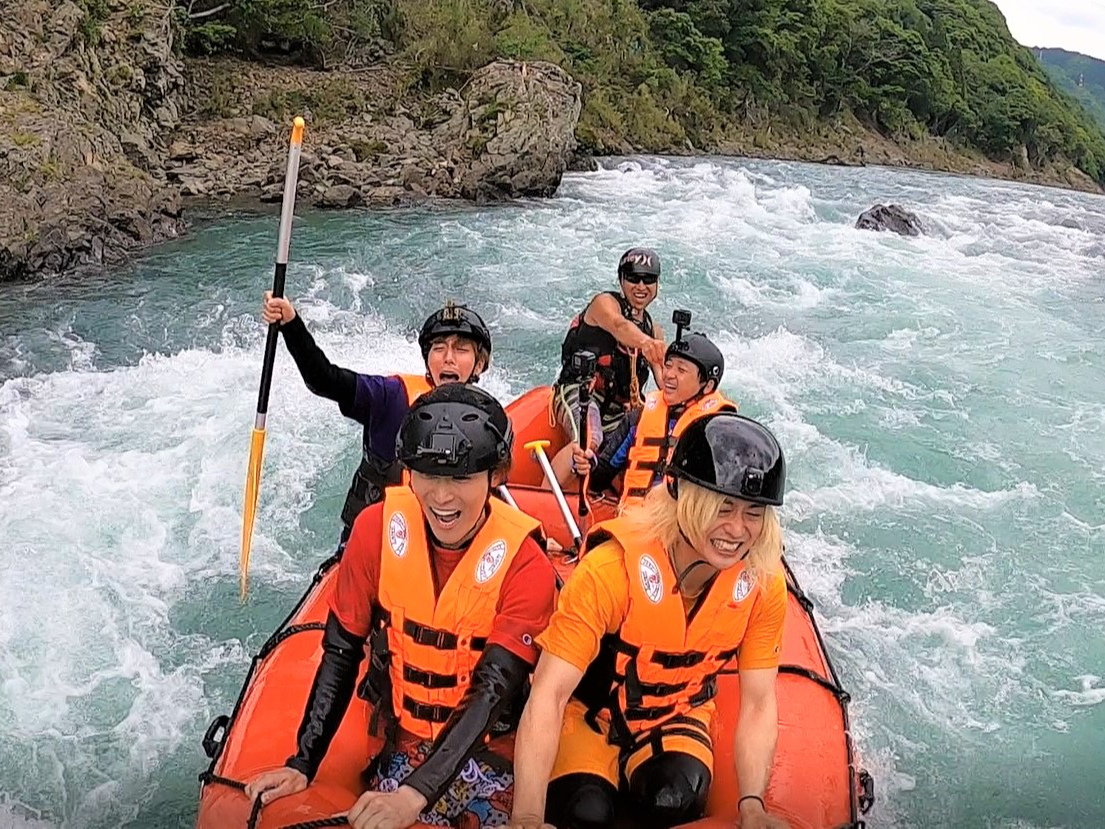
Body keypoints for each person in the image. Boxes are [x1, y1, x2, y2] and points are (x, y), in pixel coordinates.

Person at [245, 384, 558, 829]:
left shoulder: (526, 564)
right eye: (428, 475)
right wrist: (302, 763)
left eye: (461, 478)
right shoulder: (374, 530)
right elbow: (341, 651)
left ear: (496, 477)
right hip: (404, 743)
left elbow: (493, 690)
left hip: (490, 751)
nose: (442, 497)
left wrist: (416, 793)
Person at [509, 412, 792, 829]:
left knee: (674, 797)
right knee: (584, 813)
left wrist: (751, 804)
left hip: (676, 714)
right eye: (722, 507)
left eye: (754, 513)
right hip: (589, 715)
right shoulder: (610, 571)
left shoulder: (763, 584)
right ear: (681, 495)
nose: (737, 529)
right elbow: (549, 694)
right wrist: (527, 816)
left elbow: (758, 701)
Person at [261, 293, 493, 545]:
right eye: (439, 348)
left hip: (442, 544)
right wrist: (291, 324)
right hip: (376, 540)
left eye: (460, 349)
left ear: (479, 364)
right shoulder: (390, 397)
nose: (448, 357)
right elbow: (324, 379)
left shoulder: (486, 418)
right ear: (427, 359)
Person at [564, 331, 735, 503]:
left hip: (680, 525)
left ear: (708, 385)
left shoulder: (718, 431)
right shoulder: (636, 419)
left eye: (681, 369)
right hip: (632, 520)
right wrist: (587, 465)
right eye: (668, 366)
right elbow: (599, 479)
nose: (668, 375)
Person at [547, 249, 667, 488]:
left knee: (644, 457)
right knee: (589, 439)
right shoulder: (604, 304)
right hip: (580, 393)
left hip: (618, 412)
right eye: (633, 278)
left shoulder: (654, 330)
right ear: (621, 280)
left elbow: (666, 382)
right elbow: (619, 325)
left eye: (648, 279)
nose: (641, 286)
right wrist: (646, 343)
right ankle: (544, 503)